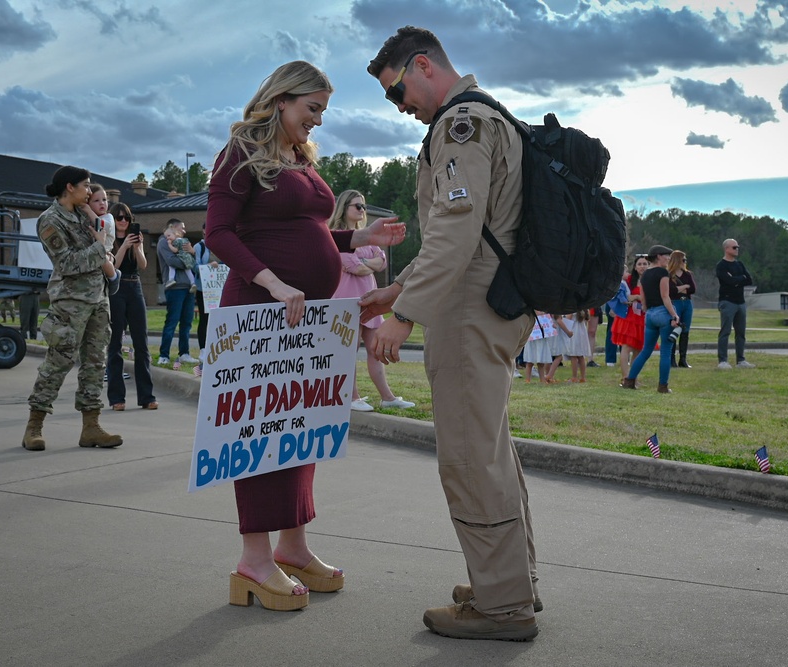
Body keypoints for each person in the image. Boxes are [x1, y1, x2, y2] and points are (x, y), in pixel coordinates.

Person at [205, 60, 406, 612]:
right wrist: (270, 281)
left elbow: (306, 229)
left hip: (309, 316)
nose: (317, 120)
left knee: (304, 425)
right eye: (311, 108)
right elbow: (218, 231)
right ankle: (253, 558)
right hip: (262, 311)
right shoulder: (241, 151)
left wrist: (355, 235)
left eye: (322, 110)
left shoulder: (298, 156)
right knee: (262, 431)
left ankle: (293, 546)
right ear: (280, 100)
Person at [362, 26, 540, 641]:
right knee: (488, 448)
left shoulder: (460, 124)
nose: (401, 106)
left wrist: (403, 314)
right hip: (493, 301)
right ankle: (510, 583)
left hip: (471, 309)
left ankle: (502, 608)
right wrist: (396, 289)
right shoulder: (489, 116)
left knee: (468, 455)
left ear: (422, 66)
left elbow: (456, 233)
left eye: (397, 93)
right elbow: (464, 231)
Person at [21, 165, 122, 452]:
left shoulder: (83, 214)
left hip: (98, 300)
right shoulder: (50, 220)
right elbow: (65, 264)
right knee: (58, 362)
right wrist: (99, 247)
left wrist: (103, 239)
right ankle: (34, 427)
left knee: (95, 363)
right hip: (69, 304)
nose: (90, 192)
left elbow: (106, 242)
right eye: (86, 186)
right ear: (69, 187)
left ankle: (91, 427)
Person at [327, 189, 415, 412]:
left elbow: (381, 261)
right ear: (344, 208)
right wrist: (367, 262)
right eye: (357, 206)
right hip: (347, 302)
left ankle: (387, 396)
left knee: (376, 349)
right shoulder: (337, 236)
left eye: (364, 206)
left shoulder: (367, 236)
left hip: (370, 302)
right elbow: (353, 266)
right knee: (349, 350)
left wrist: (363, 261)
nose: (362, 210)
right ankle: (351, 396)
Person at [106, 203, 156, 411]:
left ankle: (147, 396)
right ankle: (117, 398)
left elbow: (143, 265)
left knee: (141, 344)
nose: (123, 221)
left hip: (134, 287)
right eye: (118, 218)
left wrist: (136, 247)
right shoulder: (108, 239)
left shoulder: (136, 238)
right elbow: (112, 267)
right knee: (115, 344)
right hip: (116, 288)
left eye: (126, 217)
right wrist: (124, 245)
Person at [621, 245, 681, 393]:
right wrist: (674, 315)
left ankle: (629, 380)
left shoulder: (646, 274)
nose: (668, 258)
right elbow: (665, 296)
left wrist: (646, 310)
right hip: (662, 312)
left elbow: (643, 296)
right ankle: (663, 386)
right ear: (658, 256)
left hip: (650, 315)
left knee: (645, 351)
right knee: (666, 352)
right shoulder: (662, 272)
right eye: (667, 255)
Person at [156, 219, 198, 366]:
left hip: (189, 288)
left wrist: (190, 256)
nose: (185, 231)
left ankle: (184, 353)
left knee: (186, 323)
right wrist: (188, 260)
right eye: (182, 227)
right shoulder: (163, 242)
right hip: (174, 288)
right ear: (173, 227)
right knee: (172, 322)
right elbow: (172, 261)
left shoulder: (182, 242)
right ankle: (164, 355)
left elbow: (194, 259)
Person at [609, 255, 649, 386]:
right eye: (640, 264)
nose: (642, 266)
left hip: (642, 318)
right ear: (635, 267)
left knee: (638, 349)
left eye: (645, 264)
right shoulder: (629, 280)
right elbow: (623, 296)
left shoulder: (650, 280)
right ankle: (625, 377)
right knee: (626, 347)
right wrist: (636, 296)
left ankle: (633, 377)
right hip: (628, 317)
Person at [715, 238, 754, 370]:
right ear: (726, 249)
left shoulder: (739, 264)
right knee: (725, 331)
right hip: (727, 301)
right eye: (734, 247)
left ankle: (741, 360)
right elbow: (728, 281)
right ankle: (723, 361)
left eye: (737, 247)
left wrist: (737, 279)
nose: (737, 249)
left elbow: (748, 279)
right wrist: (738, 279)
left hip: (740, 302)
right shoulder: (721, 266)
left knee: (741, 332)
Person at [192, 234, 217, 377]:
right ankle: (203, 350)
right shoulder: (199, 247)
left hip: (219, 289)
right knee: (205, 319)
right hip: (204, 289)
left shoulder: (221, 244)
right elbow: (194, 266)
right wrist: (207, 266)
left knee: (217, 320)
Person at [667, 250, 696, 368]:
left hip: (687, 302)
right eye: (683, 260)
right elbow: (671, 290)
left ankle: (683, 358)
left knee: (685, 330)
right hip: (675, 302)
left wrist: (680, 288)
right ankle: (671, 358)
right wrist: (684, 286)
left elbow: (693, 289)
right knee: (674, 329)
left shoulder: (687, 274)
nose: (685, 262)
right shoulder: (669, 274)